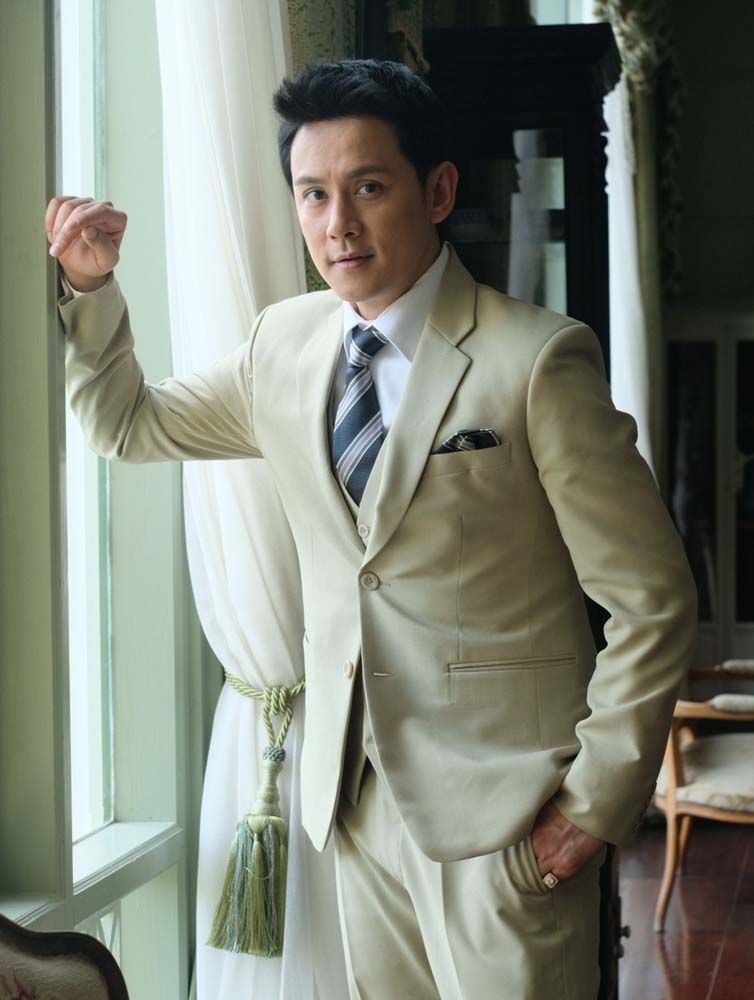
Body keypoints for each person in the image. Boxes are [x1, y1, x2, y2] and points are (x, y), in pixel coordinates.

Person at [46, 59, 697, 999]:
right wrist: (90, 285)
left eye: (368, 187)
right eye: (312, 193)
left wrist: (590, 809)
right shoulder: (283, 344)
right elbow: (129, 424)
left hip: (508, 822)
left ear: (437, 191)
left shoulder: (536, 359)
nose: (337, 223)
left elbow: (652, 599)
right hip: (353, 812)